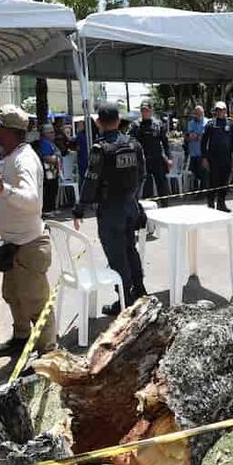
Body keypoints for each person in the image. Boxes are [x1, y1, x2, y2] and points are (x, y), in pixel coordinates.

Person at [0, 106, 57, 359]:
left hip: (29, 245)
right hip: (15, 244)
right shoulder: (13, 156)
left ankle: (47, 354)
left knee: (37, 304)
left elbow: (31, 199)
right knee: (13, 296)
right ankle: (21, 338)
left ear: (7, 131)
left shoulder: (23, 160)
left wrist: (2, 188)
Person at [73, 102, 146, 317]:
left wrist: (79, 209)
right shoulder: (134, 145)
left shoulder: (100, 149)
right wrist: (135, 200)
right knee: (130, 250)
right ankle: (139, 290)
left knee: (116, 256)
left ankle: (125, 300)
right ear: (118, 121)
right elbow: (142, 175)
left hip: (110, 210)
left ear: (98, 122)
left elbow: (90, 181)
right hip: (130, 206)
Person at [201, 101, 233, 212]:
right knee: (213, 181)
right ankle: (210, 203)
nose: (220, 112)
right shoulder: (210, 124)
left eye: (222, 110)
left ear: (225, 111)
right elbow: (204, 142)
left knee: (224, 182)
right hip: (213, 158)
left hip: (226, 157)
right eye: (218, 110)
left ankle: (221, 203)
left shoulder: (231, 124)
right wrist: (204, 157)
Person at [128, 102, 171, 199]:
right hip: (143, 159)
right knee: (146, 185)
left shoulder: (158, 124)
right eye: (143, 110)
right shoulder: (135, 125)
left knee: (162, 184)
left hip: (157, 158)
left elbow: (165, 143)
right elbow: (130, 142)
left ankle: (164, 204)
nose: (145, 112)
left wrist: (169, 158)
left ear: (151, 111)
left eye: (147, 110)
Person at [35, 123, 61, 215]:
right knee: (49, 189)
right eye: (50, 132)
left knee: (54, 188)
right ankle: (47, 209)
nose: (53, 134)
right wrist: (55, 160)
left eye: (53, 132)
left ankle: (52, 207)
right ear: (45, 133)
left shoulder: (51, 143)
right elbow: (45, 156)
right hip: (48, 170)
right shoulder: (44, 143)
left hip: (53, 170)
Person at [184, 105, 206, 192]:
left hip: (203, 153)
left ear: (203, 113)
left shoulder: (207, 123)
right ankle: (195, 191)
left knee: (203, 174)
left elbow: (204, 137)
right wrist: (196, 137)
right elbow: (188, 137)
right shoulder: (191, 123)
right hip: (193, 153)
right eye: (196, 114)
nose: (198, 116)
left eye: (200, 114)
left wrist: (196, 137)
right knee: (194, 173)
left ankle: (203, 192)